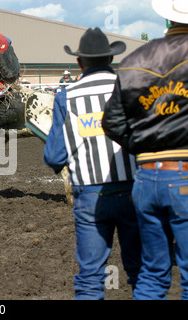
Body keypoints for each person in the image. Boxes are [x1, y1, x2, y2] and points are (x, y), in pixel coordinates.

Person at [43, 27, 142, 300]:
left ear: (79, 62)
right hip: (133, 191)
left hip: (89, 196)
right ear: (111, 59)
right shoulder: (130, 90)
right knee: (140, 272)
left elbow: (54, 156)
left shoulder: (66, 97)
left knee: (90, 278)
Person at [102, 0, 188, 300]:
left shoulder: (135, 58)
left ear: (167, 20)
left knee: (153, 273)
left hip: (146, 178)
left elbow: (111, 122)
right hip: (184, 175)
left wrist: (141, 145)